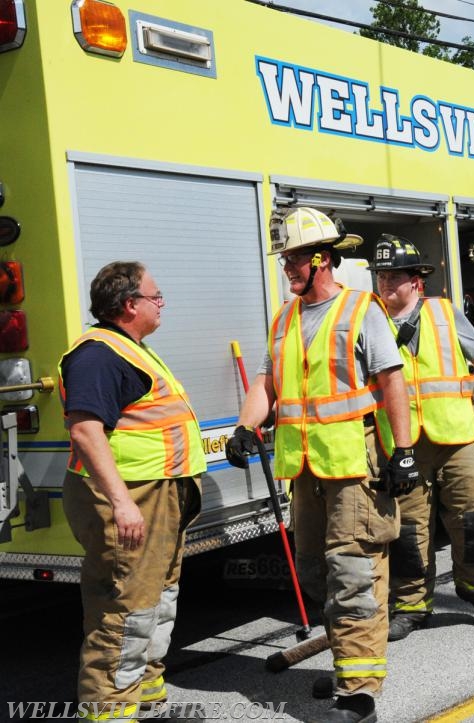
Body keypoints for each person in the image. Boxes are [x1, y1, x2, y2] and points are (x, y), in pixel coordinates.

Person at [225, 208, 417, 723]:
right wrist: (246, 426)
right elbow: (268, 382)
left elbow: (392, 381)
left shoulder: (361, 310)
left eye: (292, 258)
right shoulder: (285, 317)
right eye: (284, 258)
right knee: (314, 571)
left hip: (355, 466)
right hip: (305, 468)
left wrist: (404, 451)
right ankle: (348, 658)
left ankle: (358, 694)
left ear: (321, 259)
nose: (286, 268)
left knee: (351, 573)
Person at [59, 261, 205, 721]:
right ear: (129, 304)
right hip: (133, 498)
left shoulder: (130, 348)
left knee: (155, 605)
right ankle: (110, 713)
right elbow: (85, 431)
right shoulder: (99, 354)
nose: (161, 304)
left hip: (157, 497)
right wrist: (123, 503)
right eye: (155, 297)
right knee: (122, 615)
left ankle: (147, 700)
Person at [368, 234, 474, 641]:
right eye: (381, 276)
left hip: (458, 436)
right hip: (402, 444)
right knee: (406, 531)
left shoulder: (442, 313)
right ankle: (411, 606)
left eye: (395, 277)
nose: (386, 284)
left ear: (416, 281)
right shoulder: (369, 320)